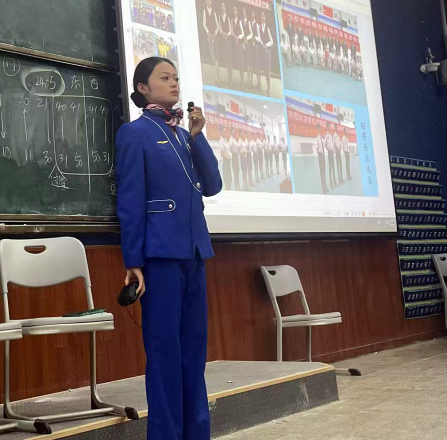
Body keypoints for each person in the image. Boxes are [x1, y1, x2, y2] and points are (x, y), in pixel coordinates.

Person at [115, 57, 222, 440]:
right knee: (164, 354)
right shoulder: (135, 133)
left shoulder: (182, 134)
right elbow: (130, 199)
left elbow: (213, 185)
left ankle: (197, 434)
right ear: (143, 88)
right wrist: (133, 260)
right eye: (164, 77)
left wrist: (198, 136)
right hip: (159, 256)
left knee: (194, 353)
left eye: (176, 77)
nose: (174, 83)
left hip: (194, 253)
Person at [257, 11, 273, 96]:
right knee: (259, 69)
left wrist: (266, 45)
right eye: (261, 16)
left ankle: (268, 89)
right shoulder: (258, 27)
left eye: (263, 16)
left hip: (267, 52)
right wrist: (262, 44)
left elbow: (271, 41)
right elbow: (259, 38)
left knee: (267, 72)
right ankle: (259, 84)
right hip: (261, 51)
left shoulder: (267, 28)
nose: (262, 18)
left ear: (265, 18)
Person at [203, 0, 219, 82]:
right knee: (212, 54)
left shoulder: (214, 12)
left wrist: (215, 33)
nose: (208, 2)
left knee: (216, 55)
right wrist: (208, 32)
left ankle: (217, 76)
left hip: (215, 36)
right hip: (209, 35)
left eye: (209, 1)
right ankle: (215, 76)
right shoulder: (205, 11)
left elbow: (217, 25)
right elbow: (204, 23)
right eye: (207, 1)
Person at [218, 2, 233, 87]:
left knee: (229, 59)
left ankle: (231, 79)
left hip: (228, 41)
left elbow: (230, 29)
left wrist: (227, 34)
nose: (223, 8)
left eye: (224, 6)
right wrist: (223, 33)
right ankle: (226, 78)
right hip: (223, 40)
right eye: (222, 6)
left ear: (225, 8)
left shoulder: (228, 17)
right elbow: (220, 28)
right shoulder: (220, 17)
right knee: (225, 59)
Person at [232, 6, 245, 90]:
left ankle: (242, 82)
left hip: (239, 44)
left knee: (241, 64)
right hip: (234, 45)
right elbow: (232, 31)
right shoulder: (231, 20)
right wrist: (234, 36)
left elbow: (243, 33)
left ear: (237, 11)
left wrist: (238, 37)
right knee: (236, 63)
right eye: (233, 10)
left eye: (235, 10)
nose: (234, 11)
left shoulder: (239, 21)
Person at [241, 8, 253, 90]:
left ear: (246, 13)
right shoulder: (240, 22)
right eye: (242, 12)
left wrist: (246, 38)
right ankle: (244, 82)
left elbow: (251, 34)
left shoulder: (248, 22)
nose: (243, 13)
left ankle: (250, 81)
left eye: (244, 12)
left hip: (248, 45)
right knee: (243, 63)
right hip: (242, 45)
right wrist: (242, 41)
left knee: (249, 63)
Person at [315, 124, 328, 194]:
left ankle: (325, 187)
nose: (320, 130)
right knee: (322, 173)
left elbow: (325, 142)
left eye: (320, 129)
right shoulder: (317, 138)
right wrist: (320, 155)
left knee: (324, 172)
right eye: (318, 129)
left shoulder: (322, 138)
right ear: (317, 129)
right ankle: (323, 189)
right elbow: (317, 149)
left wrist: (325, 137)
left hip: (323, 156)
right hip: (320, 156)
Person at [219, 124, 232, 190]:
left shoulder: (226, 140)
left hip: (228, 162)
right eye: (224, 131)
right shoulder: (221, 141)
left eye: (226, 131)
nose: (225, 132)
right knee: (227, 181)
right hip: (225, 162)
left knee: (229, 180)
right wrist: (228, 157)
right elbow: (222, 155)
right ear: (221, 132)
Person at [250, 10, 260, 89]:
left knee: (257, 66)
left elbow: (259, 38)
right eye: (251, 14)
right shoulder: (249, 23)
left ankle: (258, 83)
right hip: (250, 47)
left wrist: (255, 38)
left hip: (256, 47)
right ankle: (252, 83)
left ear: (255, 15)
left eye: (253, 13)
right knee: (251, 65)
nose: (252, 15)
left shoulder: (257, 25)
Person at [325, 123, 336, 189]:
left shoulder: (331, 135)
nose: (329, 127)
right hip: (329, 152)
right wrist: (328, 150)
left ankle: (334, 182)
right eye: (328, 126)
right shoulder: (326, 135)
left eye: (330, 126)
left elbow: (333, 143)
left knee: (333, 167)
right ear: (326, 127)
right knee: (330, 168)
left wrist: (333, 149)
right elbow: (325, 144)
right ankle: (331, 184)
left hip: (332, 152)